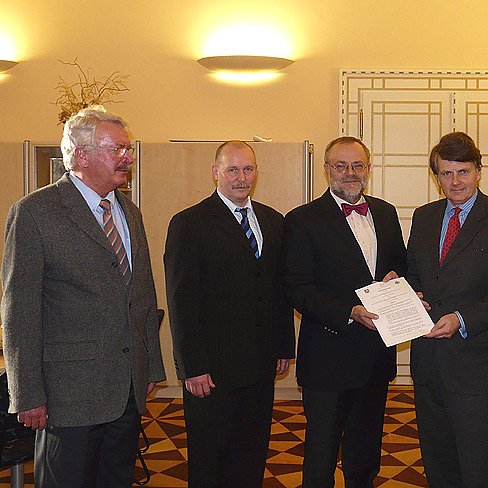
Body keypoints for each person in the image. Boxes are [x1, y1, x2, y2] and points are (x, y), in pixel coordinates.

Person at [0, 105, 165, 488]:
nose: (128, 157)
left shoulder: (129, 211)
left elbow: (142, 297)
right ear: (81, 155)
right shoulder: (35, 212)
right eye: (117, 149)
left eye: (128, 149)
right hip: (68, 393)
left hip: (126, 388)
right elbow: (19, 312)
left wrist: (150, 367)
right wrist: (26, 393)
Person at [164, 140, 295, 487]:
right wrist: (192, 367)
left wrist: (284, 345)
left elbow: (278, 290)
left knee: (251, 455)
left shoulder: (273, 221)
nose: (242, 177)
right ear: (216, 172)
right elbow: (181, 301)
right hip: (212, 371)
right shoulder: (189, 223)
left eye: (248, 169)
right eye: (232, 169)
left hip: (261, 365)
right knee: (210, 460)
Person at [405, 131, 488, 486]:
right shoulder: (424, 216)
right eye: (446, 173)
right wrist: (410, 294)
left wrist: (461, 319)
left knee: (480, 467)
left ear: (478, 171)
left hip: (480, 365)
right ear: (437, 176)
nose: (455, 181)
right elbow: (416, 274)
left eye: (463, 172)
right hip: (429, 362)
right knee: (438, 463)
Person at [284, 136, 406, 487]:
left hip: (376, 357)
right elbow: (297, 287)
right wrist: (349, 311)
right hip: (328, 357)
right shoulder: (302, 219)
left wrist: (397, 279)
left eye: (357, 165)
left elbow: (400, 265)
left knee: (365, 453)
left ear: (369, 168)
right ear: (326, 170)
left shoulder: (385, 212)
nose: (350, 173)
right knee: (320, 457)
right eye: (341, 166)